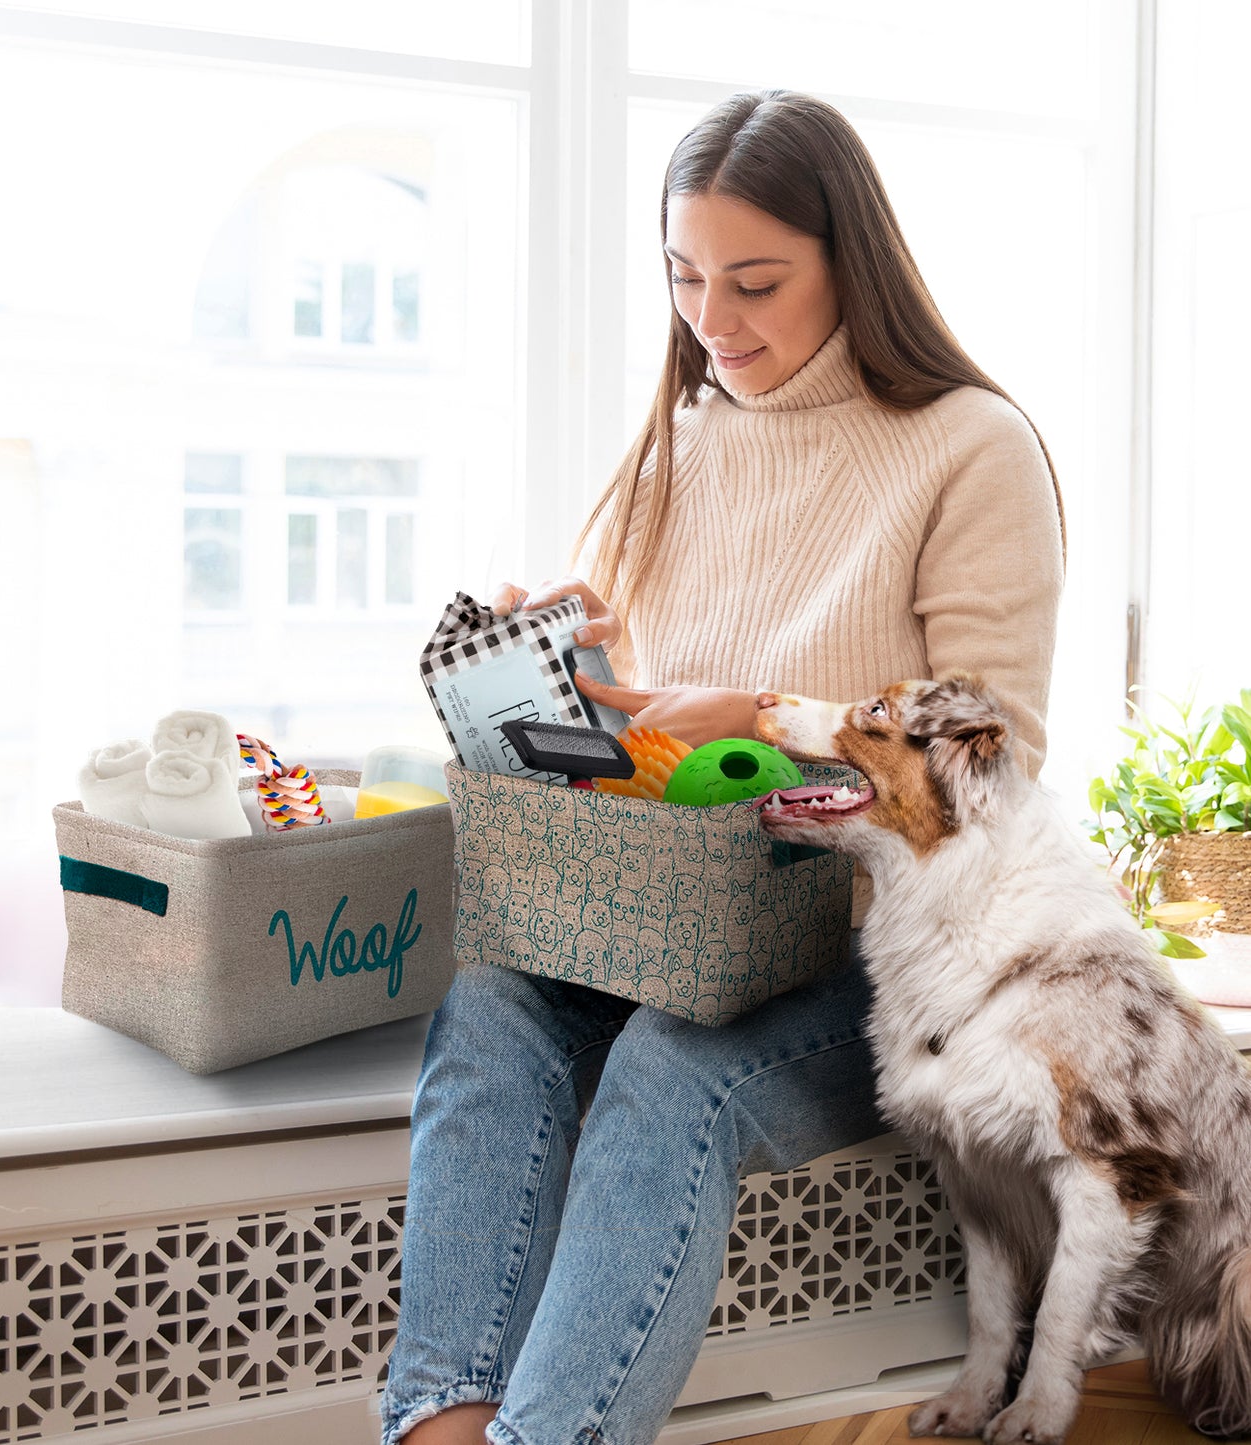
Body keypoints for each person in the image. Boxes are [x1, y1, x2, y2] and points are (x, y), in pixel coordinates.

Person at [381, 89, 1064, 1445]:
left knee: (667, 1073)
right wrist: (569, 685)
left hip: (869, 960)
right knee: (491, 1009)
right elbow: (645, 751)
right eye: (685, 278)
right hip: (671, 926)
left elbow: (993, 765)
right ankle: (434, 1433)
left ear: (848, 265)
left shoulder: (968, 446)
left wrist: (759, 711)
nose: (714, 319)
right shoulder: (670, 452)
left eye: (755, 282)